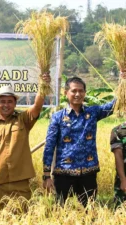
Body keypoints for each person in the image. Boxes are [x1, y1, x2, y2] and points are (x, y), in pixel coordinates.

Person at [43, 76, 119, 207]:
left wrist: (123, 80)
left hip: (88, 172)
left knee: (89, 210)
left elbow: (116, 104)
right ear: (65, 93)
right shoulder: (58, 117)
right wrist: (46, 175)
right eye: (74, 91)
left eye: (81, 91)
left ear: (85, 92)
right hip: (63, 173)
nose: (77, 94)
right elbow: (49, 146)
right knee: (60, 210)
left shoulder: (93, 112)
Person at [0, 74, 50, 211]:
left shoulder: (23, 120)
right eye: (2, 101)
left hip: (20, 182)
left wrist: (43, 85)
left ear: (15, 103)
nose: (6, 105)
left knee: (21, 217)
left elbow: (37, 106)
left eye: (10, 101)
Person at [110, 120, 126, 207]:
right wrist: (123, 180)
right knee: (121, 211)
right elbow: (118, 157)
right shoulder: (118, 130)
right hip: (124, 176)